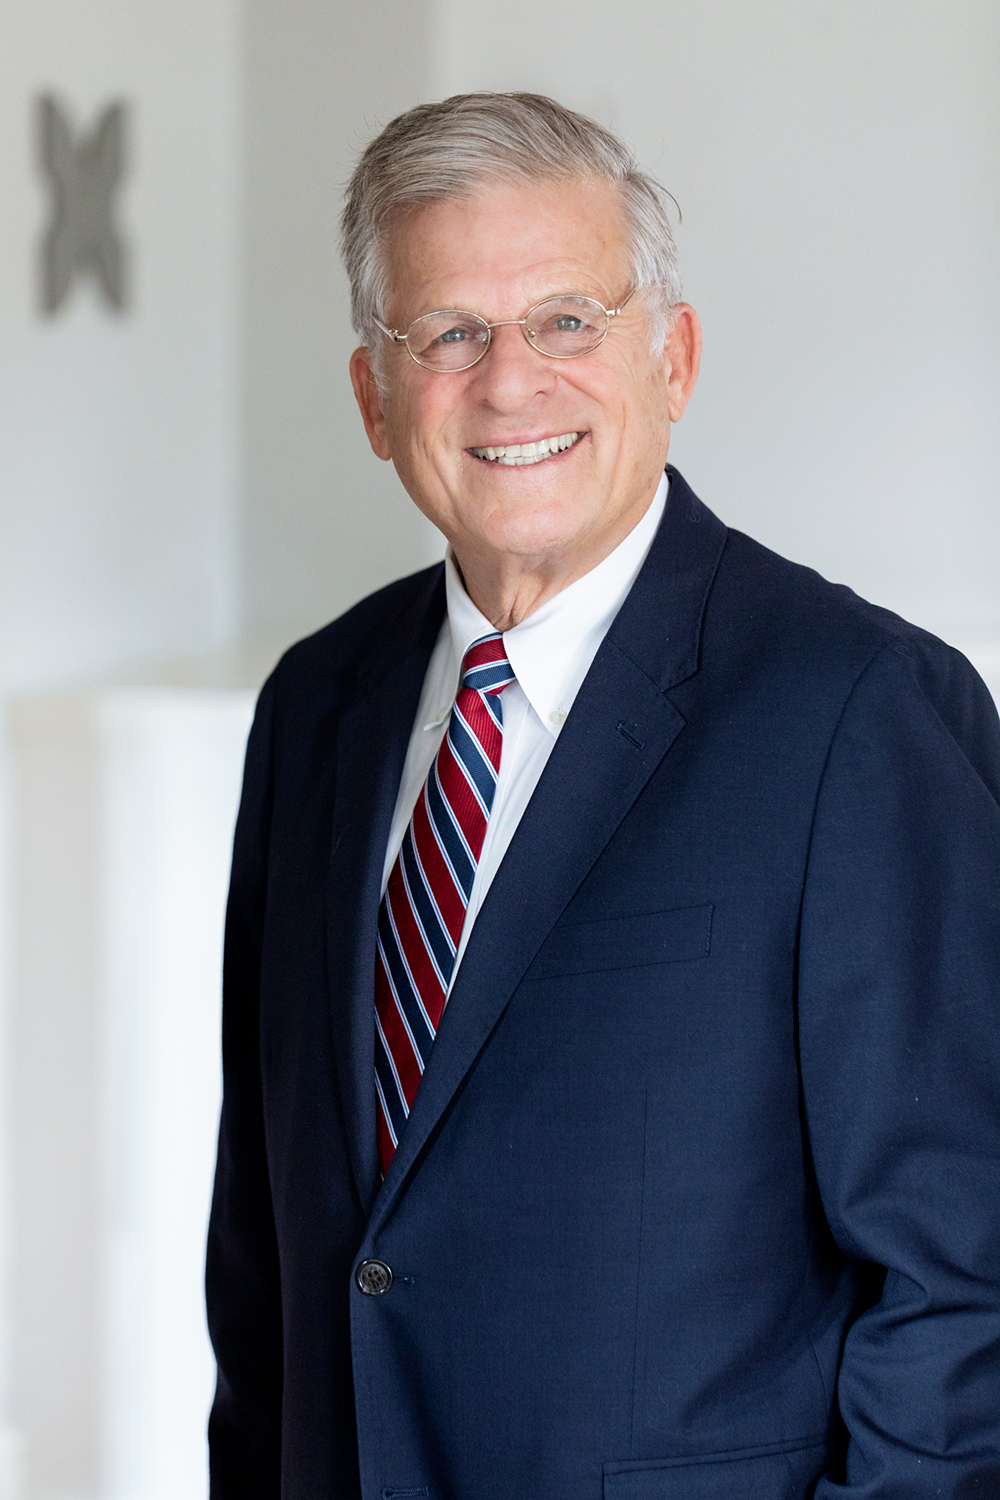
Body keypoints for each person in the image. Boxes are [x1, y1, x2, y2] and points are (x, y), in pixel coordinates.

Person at [206, 93, 1000, 1500]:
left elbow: (966, 1285)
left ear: (672, 357)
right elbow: (265, 1249)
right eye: (450, 334)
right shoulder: (316, 706)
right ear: (374, 398)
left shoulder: (862, 713)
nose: (511, 383)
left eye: (567, 319)